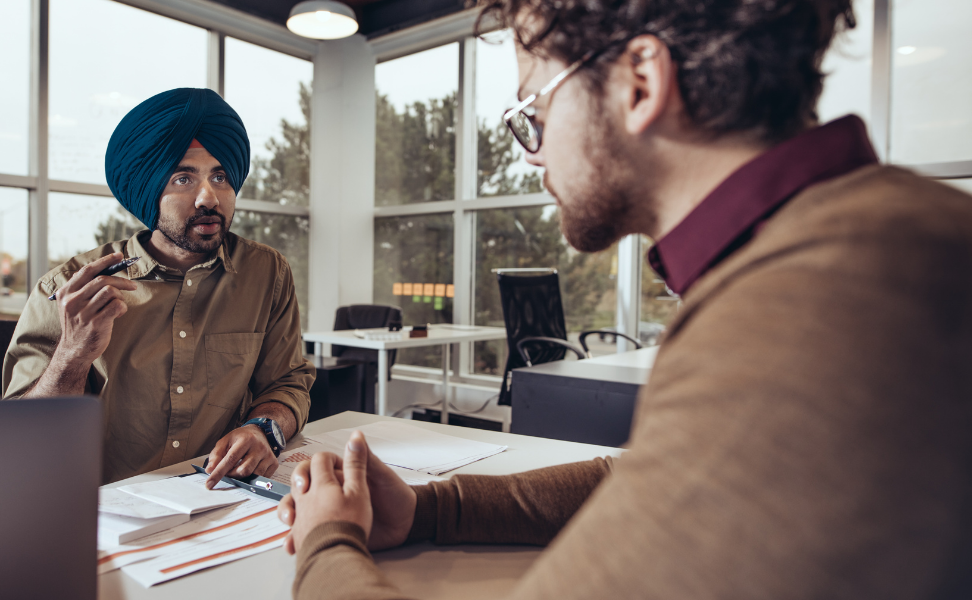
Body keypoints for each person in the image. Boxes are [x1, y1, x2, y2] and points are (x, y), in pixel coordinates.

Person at [277, 0, 972, 598]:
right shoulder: (858, 239)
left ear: (640, 81)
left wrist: (328, 540)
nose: (532, 152)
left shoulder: (819, 304)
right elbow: (644, 479)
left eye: (535, 107)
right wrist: (433, 510)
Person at [3, 88, 314, 486]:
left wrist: (263, 428)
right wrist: (73, 354)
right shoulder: (69, 288)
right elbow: (21, 439)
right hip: (101, 507)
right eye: (183, 177)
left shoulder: (266, 272)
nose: (209, 197)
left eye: (220, 176)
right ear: (149, 190)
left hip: (218, 497)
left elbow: (287, 382)